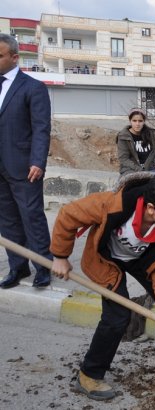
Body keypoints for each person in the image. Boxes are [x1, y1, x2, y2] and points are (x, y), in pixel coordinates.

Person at [49, 172, 155, 401]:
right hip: (106, 260)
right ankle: (89, 374)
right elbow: (69, 215)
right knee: (118, 315)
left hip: (140, 260)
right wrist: (60, 256)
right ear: (151, 208)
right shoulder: (111, 205)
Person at [0, 33, 53, 289]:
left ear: (14, 57)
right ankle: (17, 267)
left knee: (31, 217)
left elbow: (41, 128)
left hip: (24, 167)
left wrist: (38, 161)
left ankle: (43, 267)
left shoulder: (33, 87)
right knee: (7, 220)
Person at [116, 108, 155, 176]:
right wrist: (139, 169)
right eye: (134, 121)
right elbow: (124, 159)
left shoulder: (151, 135)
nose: (137, 124)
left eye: (140, 121)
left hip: (149, 169)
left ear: (144, 121)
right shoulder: (123, 136)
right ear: (130, 121)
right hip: (130, 170)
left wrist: (150, 165)